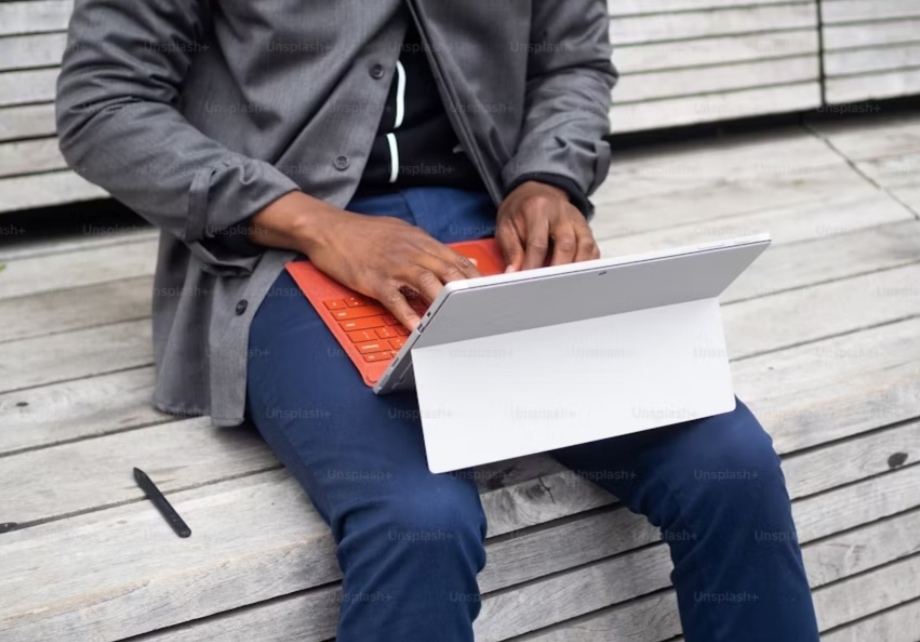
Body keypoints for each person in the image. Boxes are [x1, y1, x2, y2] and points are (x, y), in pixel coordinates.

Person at [56, 1, 820, 640]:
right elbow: (104, 106)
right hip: (277, 247)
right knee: (417, 518)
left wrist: (548, 177)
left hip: (496, 230)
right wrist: (316, 224)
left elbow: (571, 61)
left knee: (729, 461)